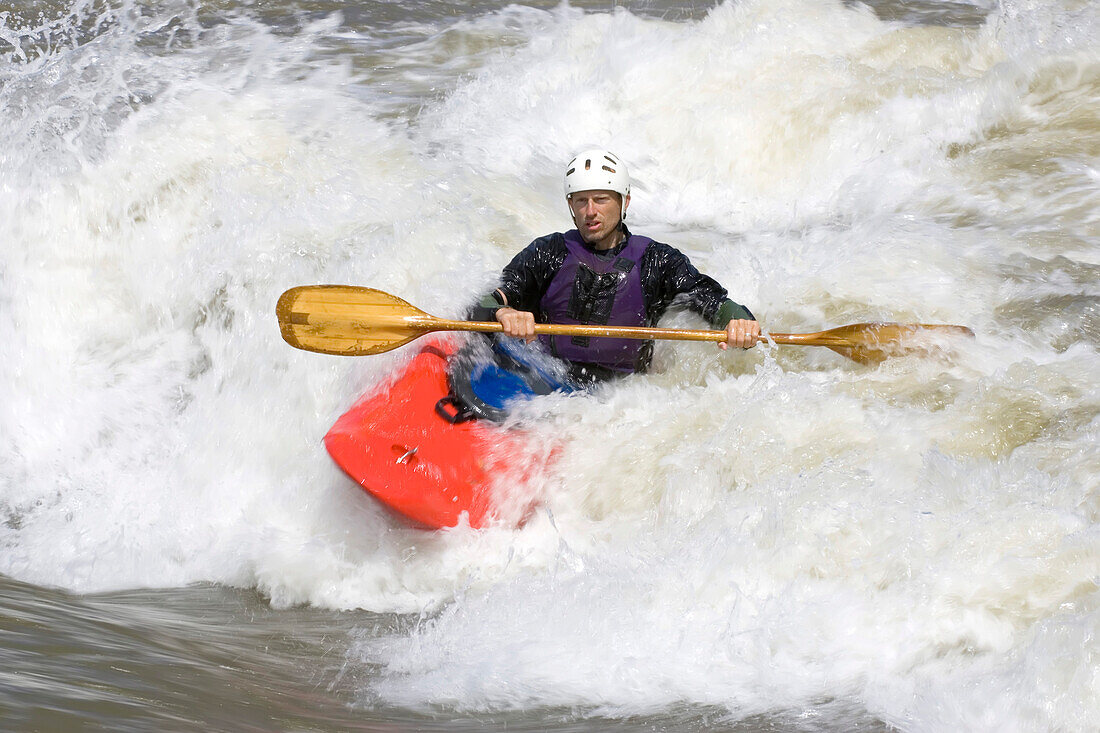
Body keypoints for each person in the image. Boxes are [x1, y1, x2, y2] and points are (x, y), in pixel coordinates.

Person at [470, 148, 759, 385]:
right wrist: (504, 312)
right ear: (571, 205)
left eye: (601, 199)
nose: (591, 211)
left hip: (621, 399)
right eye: (581, 201)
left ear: (624, 202)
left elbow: (711, 300)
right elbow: (484, 303)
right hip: (547, 379)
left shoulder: (656, 261)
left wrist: (737, 323)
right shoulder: (549, 252)